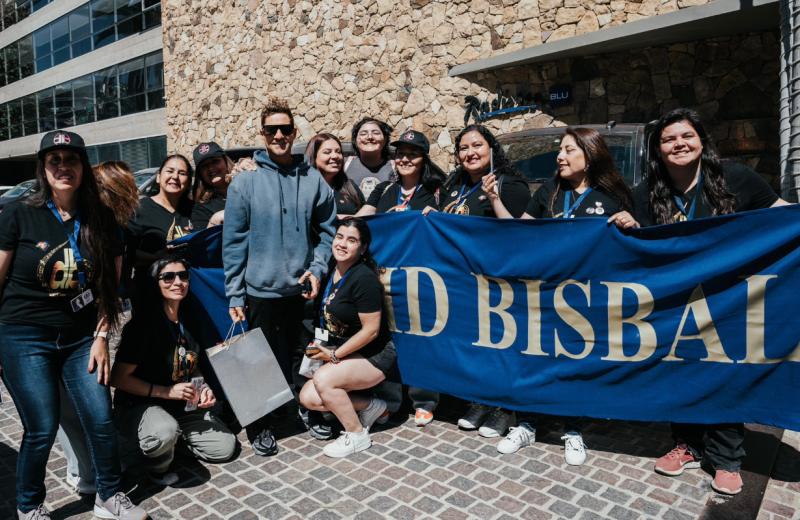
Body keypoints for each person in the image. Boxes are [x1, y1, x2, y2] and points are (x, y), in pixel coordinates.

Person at [611, 107, 789, 495]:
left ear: (701, 141)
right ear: (658, 151)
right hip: (675, 304)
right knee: (679, 374)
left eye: (686, 136)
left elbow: (781, 218)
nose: (679, 144)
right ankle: (687, 445)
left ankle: (726, 458)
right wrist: (628, 224)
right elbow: (640, 244)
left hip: (729, 301)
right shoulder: (644, 194)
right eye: (669, 139)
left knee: (724, 374)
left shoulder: (736, 179)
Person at [0, 130, 147, 519]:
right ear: (43, 168)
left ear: (84, 167)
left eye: (72, 160)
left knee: (100, 417)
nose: (64, 167)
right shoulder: (18, 213)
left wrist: (101, 336)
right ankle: (29, 506)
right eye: (55, 161)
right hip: (23, 335)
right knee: (42, 427)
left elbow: (109, 291)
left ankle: (108, 496)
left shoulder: (102, 221)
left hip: (81, 337)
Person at [495, 127, 634, 465]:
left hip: (586, 301)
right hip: (542, 294)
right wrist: (496, 202)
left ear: (590, 157)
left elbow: (629, 251)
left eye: (569, 150)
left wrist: (632, 224)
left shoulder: (612, 198)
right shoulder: (548, 192)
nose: (560, 156)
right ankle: (526, 423)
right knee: (533, 358)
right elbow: (520, 234)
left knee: (575, 362)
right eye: (560, 150)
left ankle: (572, 429)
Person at [224, 97, 337, 456]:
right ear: (262, 134)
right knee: (259, 362)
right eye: (271, 129)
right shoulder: (245, 184)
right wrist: (235, 294)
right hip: (260, 291)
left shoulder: (313, 179)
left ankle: (308, 409)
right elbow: (233, 242)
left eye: (285, 129)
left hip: (302, 290)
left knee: (304, 358)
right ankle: (261, 424)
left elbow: (328, 232)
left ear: (294, 133)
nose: (278, 135)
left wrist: (318, 268)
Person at [433, 124, 530, 440]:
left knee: (499, 346)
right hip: (460, 281)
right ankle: (479, 400)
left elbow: (519, 235)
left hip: (496, 282)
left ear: (491, 149)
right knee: (473, 344)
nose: (470, 153)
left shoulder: (509, 185)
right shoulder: (455, 185)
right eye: (463, 148)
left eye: (477, 145)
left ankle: (503, 408)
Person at [110, 257, 238, 485]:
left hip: (180, 406)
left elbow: (192, 361)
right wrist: (166, 392)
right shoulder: (142, 326)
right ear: (154, 283)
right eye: (168, 277)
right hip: (141, 403)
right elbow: (118, 378)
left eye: (183, 276)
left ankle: (173, 438)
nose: (178, 282)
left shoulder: (190, 318)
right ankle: (157, 465)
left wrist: (203, 386)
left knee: (225, 448)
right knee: (163, 432)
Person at [58, 160, 141, 495]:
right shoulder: (82, 222)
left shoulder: (108, 227)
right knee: (76, 401)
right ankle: (86, 467)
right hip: (84, 323)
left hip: (100, 321)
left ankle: (91, 467)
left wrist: (102, 332)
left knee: (85, 400)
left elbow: (112, 285)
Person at [355, 129, 445, 426]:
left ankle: (424, 399)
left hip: (423, 280)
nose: (405, 159)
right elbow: (363, 222)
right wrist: (389, 219)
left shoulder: (436, 189)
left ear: (423, 159)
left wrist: (434, 217)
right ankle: (390, 401)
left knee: (421, 340)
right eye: (401, 154)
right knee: (388, 341)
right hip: (387, 279)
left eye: (412, 154)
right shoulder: (385, 190)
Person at [298, 218, 394, 457]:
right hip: (347, 352)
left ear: (362, 248)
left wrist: (333, 355)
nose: (342, 244)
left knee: (324, 380)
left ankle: (356, 434)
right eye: (339, 237)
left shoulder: (364, 278)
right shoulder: (333, 271)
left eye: (351, 240)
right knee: (308, 397)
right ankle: (373, 406)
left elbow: (371, 330)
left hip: (375, 356)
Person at [126, 154, 194, 304]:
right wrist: (157, 258)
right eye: (170, 171)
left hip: (189, 292)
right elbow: (127, 251)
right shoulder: (140, 209)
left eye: (182, 173)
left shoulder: (195, 210)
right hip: (150, 293)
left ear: (188, 181)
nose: (175, 177)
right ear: (158, 177)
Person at [305, 133, 365, 219]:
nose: (335, 156)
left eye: (338, 152)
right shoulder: (302, 188)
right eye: (327, 152)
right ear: (314, 156)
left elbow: (366, 219)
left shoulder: (350, 187)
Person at [346, 117, 396, 199]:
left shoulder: (397, 167)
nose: (369, 137)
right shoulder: (343, 165)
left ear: (385, 139)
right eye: (363, 134)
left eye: (376, 133)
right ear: (355, 140)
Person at [191, 142, 234, 229]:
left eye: (215, 161)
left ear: (226, 162)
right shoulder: (201, 210)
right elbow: (204, 240)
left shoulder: (248, 187)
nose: (210, 168)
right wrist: (214, 220)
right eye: (204, 166)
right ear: (200, 175)